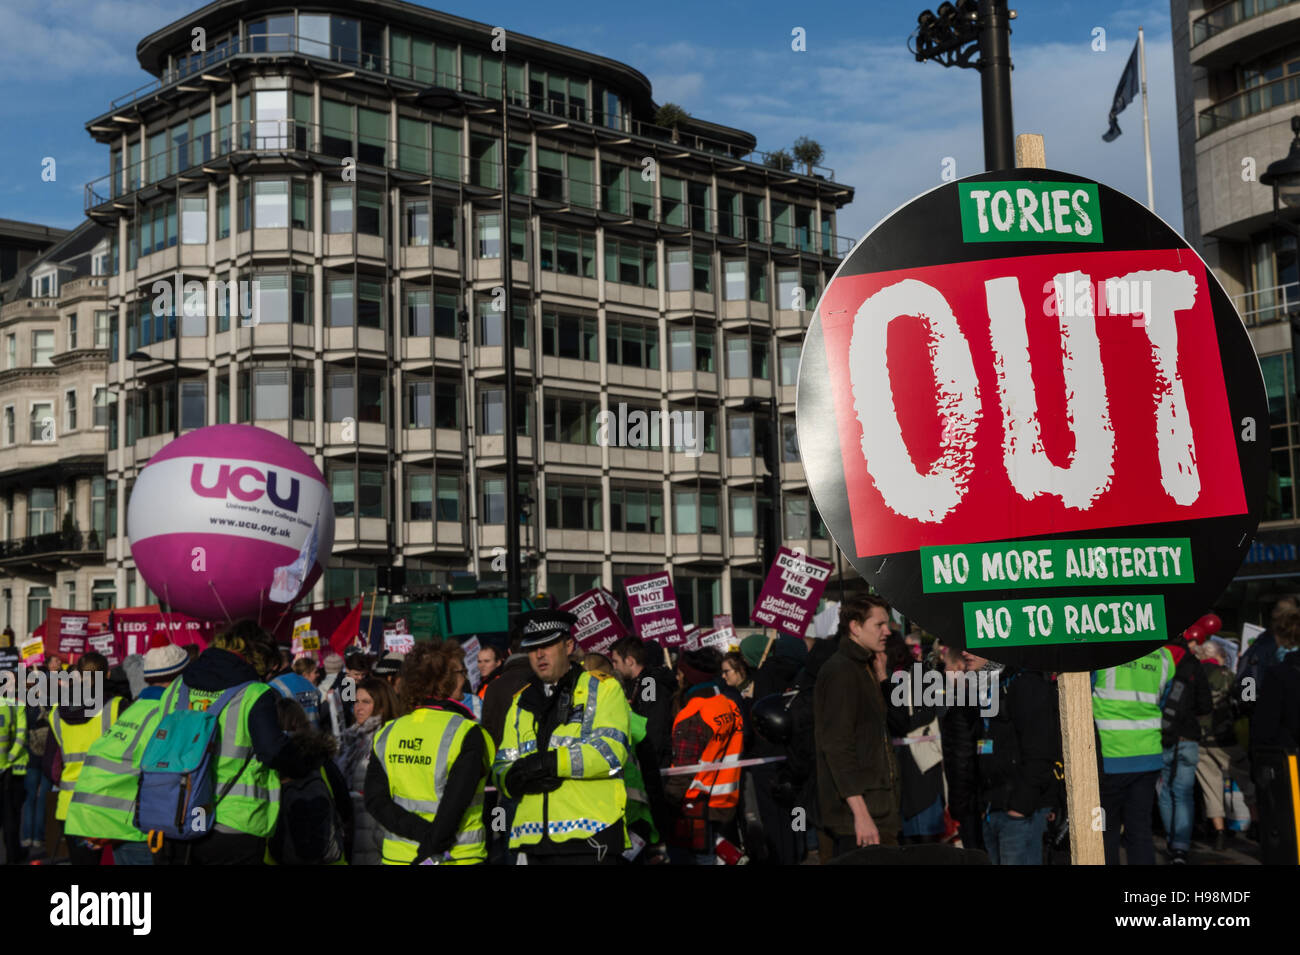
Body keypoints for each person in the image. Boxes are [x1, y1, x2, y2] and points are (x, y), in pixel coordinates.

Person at [154, 620, 324, 865]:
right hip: (234, 822)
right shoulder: (254, 694)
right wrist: (306, 760)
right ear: (259, 658)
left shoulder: (177, 688)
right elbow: (272, 751)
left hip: (177, 814)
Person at [491, 609, 631, 864]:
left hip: (591, 840)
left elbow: (610, 752)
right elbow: (502, 763)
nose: (539, 654)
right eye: (532, 647)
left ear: (568, 645)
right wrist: (513, 777)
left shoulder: (602, 688)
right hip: (533, 842)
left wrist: (551, 764)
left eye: (547, 645)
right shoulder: (521, 701)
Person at [365, 643, 493, 864]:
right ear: (445, 680)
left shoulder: (388, 733)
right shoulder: (466, 732)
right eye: (461, 672)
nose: (465, 679)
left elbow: (375, 800)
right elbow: (455, 803)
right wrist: (430, 843)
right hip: (455, 856)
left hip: (399, 856)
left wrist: (421, 834)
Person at [63, 645, 190, 866]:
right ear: (180, 679)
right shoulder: (165, 715)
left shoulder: (134, 708)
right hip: (133, 826)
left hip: (91, 814)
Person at [814, 594, 902, 858]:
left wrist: (882, 676)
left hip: (879, 810)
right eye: (879, 625)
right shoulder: (841, 671)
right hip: (858, 820)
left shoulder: (865, 666)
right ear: (855, 627)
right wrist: (860, 813)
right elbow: (838, 746)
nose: (887, 631)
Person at [962, 649, 1061, 865]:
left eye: (973, 646)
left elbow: (1041, 753)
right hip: (992, 809)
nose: (964, 652)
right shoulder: (986, 686)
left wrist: (1019, 807)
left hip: (1018, 815)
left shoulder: (1026, 684)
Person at [1092, 645, 1176, 865]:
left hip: (1108, 756)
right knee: (1139, 831)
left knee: (1103, 832)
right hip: (1148, 755)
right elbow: (1165, 701)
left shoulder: (1099, 649)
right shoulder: (1164, 655)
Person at [664, 648, 745, 864]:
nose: (677, 677)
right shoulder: (728, 706)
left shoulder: (692, 715)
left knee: (698, 858)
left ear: (689, 678)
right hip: (724, 801)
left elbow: (684, 770)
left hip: (694, 806)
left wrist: (667, 804)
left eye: (681, 673)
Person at [47, 652, 125, 864]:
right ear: (107, 674)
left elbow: (51, 766)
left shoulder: (56, 711)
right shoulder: (118, 707)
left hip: (69, 808)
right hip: (106, 805)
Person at [268, 698, 352, 865]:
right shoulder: (323, 763)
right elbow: (345, 809)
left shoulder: (269, 766)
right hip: (328, 858)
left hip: (279, 857)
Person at [1192, 638, 1255, 851]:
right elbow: (1245, 700)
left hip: (1200, 740)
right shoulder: (1227, 674)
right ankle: (1256, 824)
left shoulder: (1195, 673)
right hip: (1225, 740)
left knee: (1211, 788)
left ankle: (1219, 834)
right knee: (1246, 781)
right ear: (1218, 655)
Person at [884, 634, 946, 845]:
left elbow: (930, 711)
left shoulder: (918, 673)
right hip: (900, 762)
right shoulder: (884, 677)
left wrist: (903, 724)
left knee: (924, 831)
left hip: (922, 760)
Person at [1157, 627, 1212, 863]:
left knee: (1163, 792)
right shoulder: (1193, 663)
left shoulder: (1156, 659)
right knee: (1183, 793)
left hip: (1158, 737)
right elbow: (1206, 705)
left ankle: (1171, 841)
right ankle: (1180, 846)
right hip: (1187, 738)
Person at [338, 677, 402, 865]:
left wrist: (378, 835)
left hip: (376, 835)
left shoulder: (388, 738)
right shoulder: (352, 738)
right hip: (354, 831)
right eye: (357, 701)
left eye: (366, 702)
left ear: (382, 706)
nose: (359, 707)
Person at [481, 637, 537, 744]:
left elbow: (487, 731)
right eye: (479, 661)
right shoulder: (544, 680)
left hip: (503, 755)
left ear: (509, 652)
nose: (482, 665)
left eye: (487, 661)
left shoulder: (493, 686)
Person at [20, 668, 51, 858]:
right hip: (46, 754)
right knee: (43, 797)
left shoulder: (26, 703)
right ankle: (39, 836)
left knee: (30, 797)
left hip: (31, 755)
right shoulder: (50, 703)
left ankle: (26, 836)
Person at [0, 672, 28, 864]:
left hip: (7, 770)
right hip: (10, 772)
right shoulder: (16, 705)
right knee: (11, 818)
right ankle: (13, 856)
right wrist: (9, 759)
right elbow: (20, 735)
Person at [270, 657, 323, 729]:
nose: (318, 675)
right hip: (314, 735)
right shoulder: (313, 689)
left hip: (295, 736)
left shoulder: (277, 685)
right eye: (315, 672)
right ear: (305, 675)